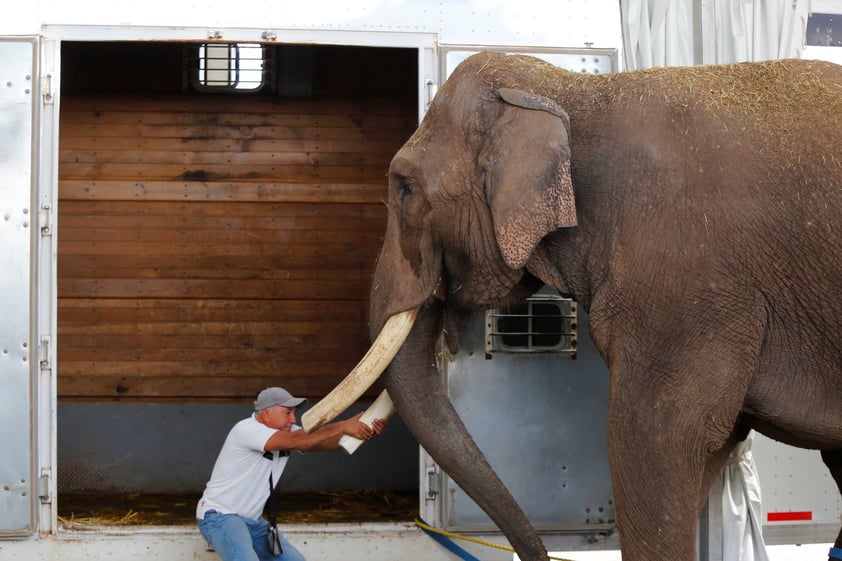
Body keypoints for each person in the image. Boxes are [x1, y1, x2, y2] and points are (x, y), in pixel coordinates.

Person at [197, 386, 387, 561]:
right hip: (220, 516)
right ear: (265, 414)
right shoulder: (247, 429)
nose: (293, 420)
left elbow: (325, 441)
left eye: (294, 413)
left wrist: (363, 432)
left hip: (253, 522)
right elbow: (300, 440)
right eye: (287, 413)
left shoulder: (287, 431)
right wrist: (342, 425)